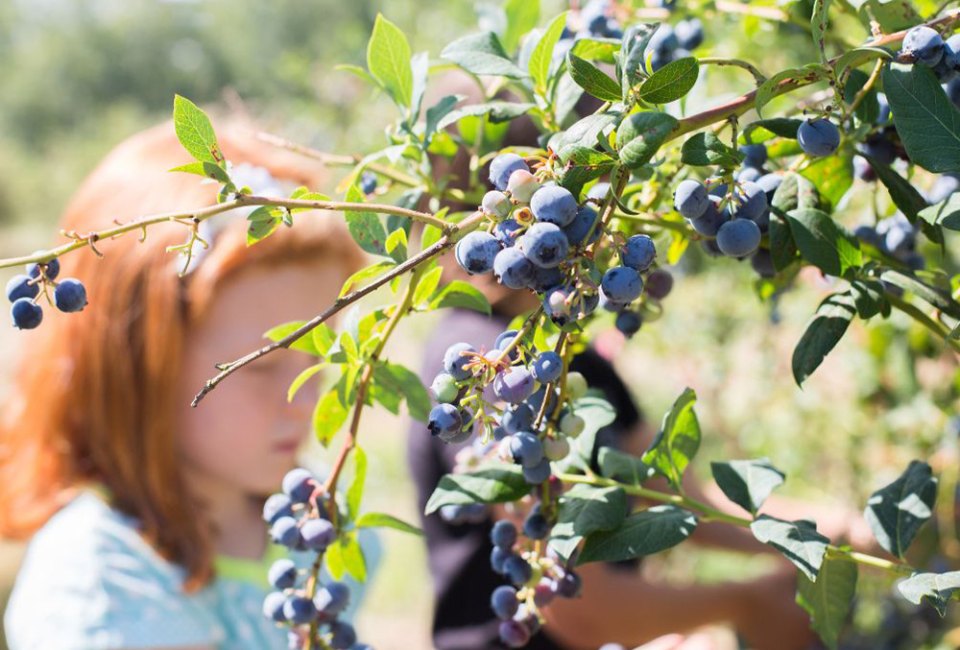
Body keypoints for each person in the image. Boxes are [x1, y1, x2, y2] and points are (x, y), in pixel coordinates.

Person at [0, 118, 369, 649]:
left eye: (319, 357)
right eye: (261, 363)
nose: (306, 399)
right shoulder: (100, 586)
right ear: (137, 362)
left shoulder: (297, 516)